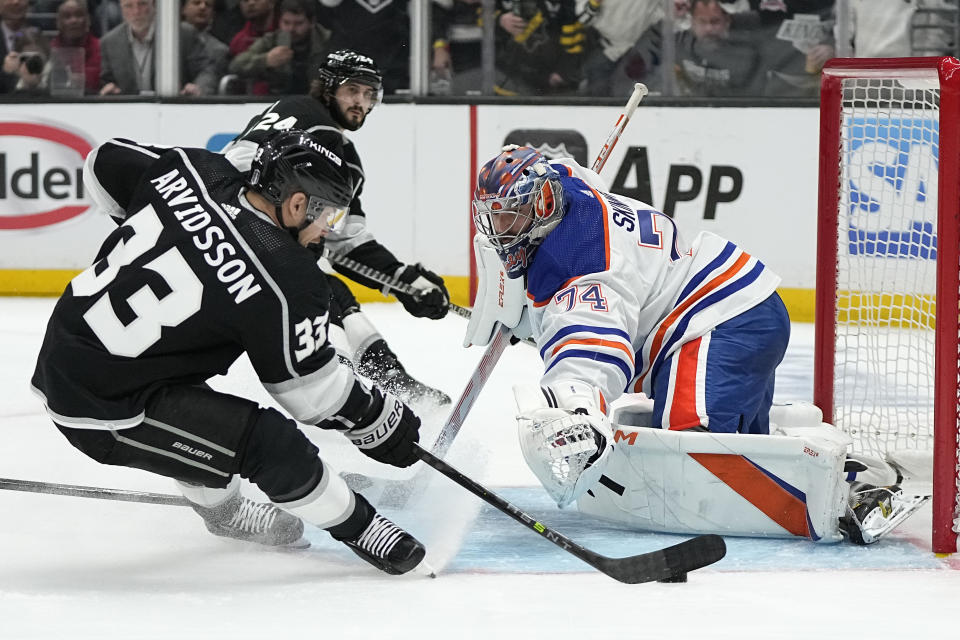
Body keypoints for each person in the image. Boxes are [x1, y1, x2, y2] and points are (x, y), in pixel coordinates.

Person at [465, 145, 913, 545]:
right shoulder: (569, 187)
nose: (500, 228)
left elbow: (593, 344)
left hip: (718, 321)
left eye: (511, 215)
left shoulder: (584, 265)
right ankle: (848, 476)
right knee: (736, 449)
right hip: (733, 311)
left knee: (694, 455)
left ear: (543, 205)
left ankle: (856, 487)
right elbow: (571, 168)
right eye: (495, 214)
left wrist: (573, 405)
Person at [30, 129, 428, 576]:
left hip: (72, 347)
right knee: (269, 444)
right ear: (297, 204)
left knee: (205, 416)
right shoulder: (286, 276)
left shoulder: (192, 167)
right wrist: (377, 418)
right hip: (104, 405)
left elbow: (104, 160)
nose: (326, 232)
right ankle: (362, 528)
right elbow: (310, 394)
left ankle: (223, 511)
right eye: (329, 217)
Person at [222, 49, 452, 408]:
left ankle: (386, 379)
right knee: (316, 294)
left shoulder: (307, 122)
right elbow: (243, 167)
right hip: (252, 249)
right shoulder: (323, 135)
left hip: (228, 238)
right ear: (328, 89)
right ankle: (362, 392)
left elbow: (343, 239)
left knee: (333, 293)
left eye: (369, 94)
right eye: (353, 91)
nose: (361, 102)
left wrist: (403, 279)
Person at [99, 0, 217, 95]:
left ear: (154, 5)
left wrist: (199, 88)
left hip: (176, 108)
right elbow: (106, 80)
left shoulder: (182, 34)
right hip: (129, 114)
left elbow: (206, 71)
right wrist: (108, 89)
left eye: (142, 4)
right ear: (121, 9)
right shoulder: (110, 42)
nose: (136, 11)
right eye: (128, 6)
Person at [228, 0, 329, 96]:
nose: (291, 29)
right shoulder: (273, 39)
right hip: (279, 98)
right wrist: (265, 60)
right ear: (280, 21)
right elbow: (236, 65)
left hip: (318, 99)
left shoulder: (327, 40)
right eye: (286, 23)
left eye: (298, 23)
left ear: (311, 22)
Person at [493, 0, 584, 96]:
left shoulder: (566, 4)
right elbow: (480, 13)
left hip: (552, 77)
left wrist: (564, 71)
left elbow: (574, 38)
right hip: (510, 75)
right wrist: (499, 20)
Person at [672, 0, 760, 96]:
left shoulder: (747, 52)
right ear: (692, 23)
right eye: (702, 21)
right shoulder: (677, 43)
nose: (709, 28)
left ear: (727, 22)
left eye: (715, 21)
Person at [50, 0, 102, 95]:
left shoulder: (101, 48)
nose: (73, 20)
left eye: (79, 15)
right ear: (58, 23)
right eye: (67, 16)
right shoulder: (51, 49)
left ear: (88, 20)